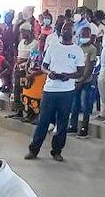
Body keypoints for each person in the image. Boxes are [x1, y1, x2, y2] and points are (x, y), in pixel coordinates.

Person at [25, 21, 84, 162]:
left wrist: (68, 76)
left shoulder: (77, 50)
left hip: (66, 91)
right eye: (64, 28)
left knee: (62, 122)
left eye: (69, 29)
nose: (66, 30)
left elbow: (80, 72)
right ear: (61, 31)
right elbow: (44, 66)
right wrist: (49, 73)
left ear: (73, 33)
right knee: (43, 121)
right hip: (50, 90)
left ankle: (57, 151)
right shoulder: (53, 47)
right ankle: (34, 149)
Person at [69, 27, 98, 138]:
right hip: (75, 81)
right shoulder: (77, 48)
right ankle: (73, 126)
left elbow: (90, 67)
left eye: (86, 35)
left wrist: (82, 80)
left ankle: (84, 128)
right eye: (82, 35)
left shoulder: (92, 49)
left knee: (85, 105)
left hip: (86, 81)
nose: (84, 37)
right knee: (74, 105)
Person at [9, 22, 39, 119]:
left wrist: (24, 60)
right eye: (21, 33)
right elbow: (18, 55)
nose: (22, 35)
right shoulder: (21, 42)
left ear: (28, 31)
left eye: (23, 32)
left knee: (26, 91)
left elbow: (35, 57)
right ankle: (19, 111)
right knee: (17, 90)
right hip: (19, 69)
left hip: (27, 70)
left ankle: (30, 113)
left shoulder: (35, 43)